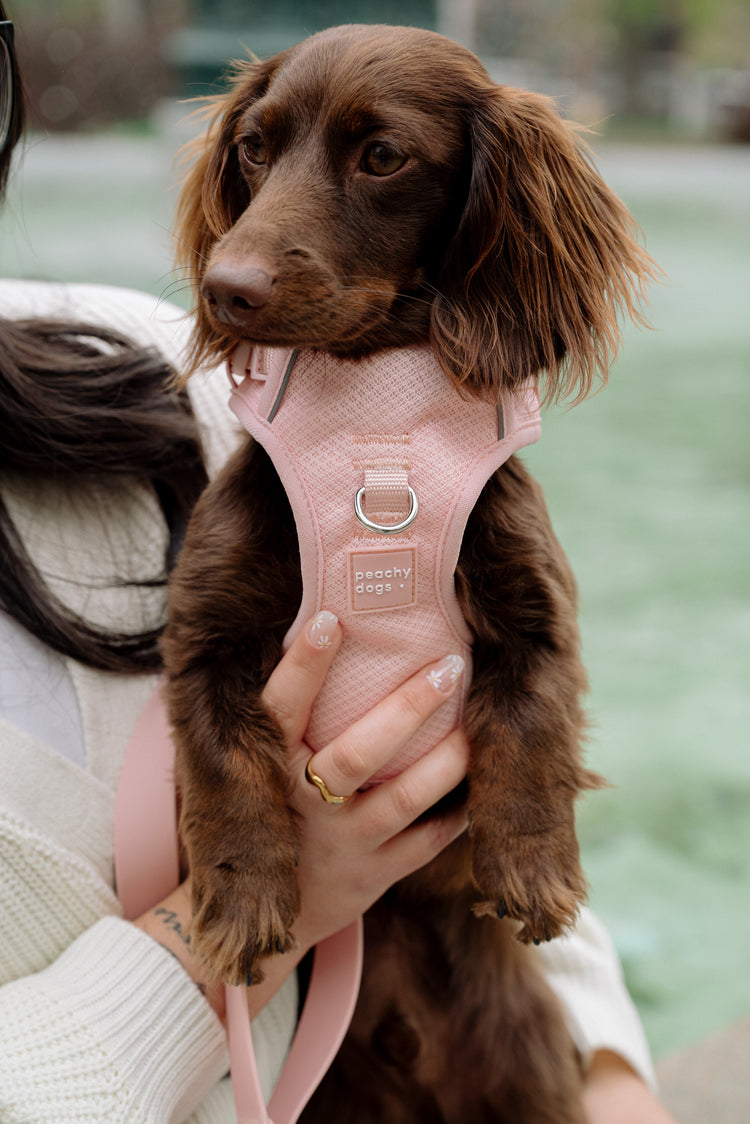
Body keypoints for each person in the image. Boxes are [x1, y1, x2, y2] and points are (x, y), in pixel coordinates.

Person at [0, 7, 678, 1120]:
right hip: (289, 1069)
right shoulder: (242, 404)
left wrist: (612, 1067)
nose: (241, 258)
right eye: (257, 153)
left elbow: (520, 715)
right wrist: (213, 927)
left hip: (495, 1010)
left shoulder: (148, 367)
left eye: (380, 158)